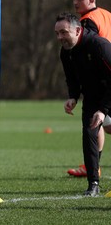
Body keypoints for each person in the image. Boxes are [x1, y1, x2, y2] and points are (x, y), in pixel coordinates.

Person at [55, 12, 111, 196]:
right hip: (93, 96)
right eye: (57, 33)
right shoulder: (66, 52)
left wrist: (103, 110)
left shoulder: (99, 45)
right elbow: (71, 77)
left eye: (64, 32)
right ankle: (93, 183)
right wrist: (73, 96)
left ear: (78, 30)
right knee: (89, 135)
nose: (60, 37)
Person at [67, 0, 111, 177]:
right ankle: (93, 166)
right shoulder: (106, 14)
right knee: (106, 126)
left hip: (103, 80)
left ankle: (93, 167)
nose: (75, 2)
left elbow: (88, 49)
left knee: (95, 122)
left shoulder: (86, 22)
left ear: (91, 0)